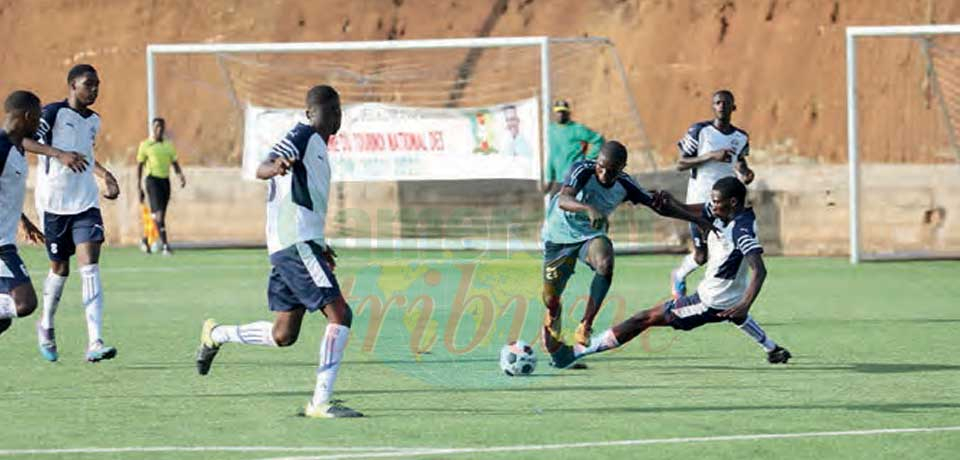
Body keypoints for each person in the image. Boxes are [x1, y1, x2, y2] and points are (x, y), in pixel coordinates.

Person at [195, 85, 362, 418]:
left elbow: (302, 203)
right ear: (310, 114)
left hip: (298, 244)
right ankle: (320, 402)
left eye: (338, 110)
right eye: (328, 110)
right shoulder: (303, 135)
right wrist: (274, 166)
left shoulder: (319, 149)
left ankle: (216, 334)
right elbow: (264, 165)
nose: (335, 115)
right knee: (340, 314)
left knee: (283, 334)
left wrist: (319, 244)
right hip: (295, 245)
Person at [550, 177, 791, 368]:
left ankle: (573, 353)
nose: (712, 205)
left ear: (733, 203)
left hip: (710, 300)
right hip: (729, 297)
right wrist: (671, 203)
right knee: (734, 313)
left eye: (716, 202)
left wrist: (747, 302)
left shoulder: (741, 230)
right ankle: (772, 349)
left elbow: (759, 269)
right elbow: (688, 211)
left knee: (642, 319)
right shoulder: (729, 213)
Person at [540, 140, 716, 358]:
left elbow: (659, 206)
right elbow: (564, 199)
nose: (604, 173)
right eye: (601, 167)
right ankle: (554, 312)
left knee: (605, 261)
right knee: (550, 297)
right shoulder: (583, 169)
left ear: (622, 168)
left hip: (590, 236)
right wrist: (589, 209)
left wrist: (694, 219)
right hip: (558, 235)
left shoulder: (625, 184)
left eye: (611, 170)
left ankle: (585, 324)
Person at [23, 64, 120, 363]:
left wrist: (105, 175)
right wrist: (58, 154)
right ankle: (46, 324)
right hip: (54, 205)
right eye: (88, 84)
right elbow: (25, 142)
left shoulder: (94, 121)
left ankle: (95, 341)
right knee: (60, 270)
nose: (94, 89)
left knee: (89, 265)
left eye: (97, 84)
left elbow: (87, 156)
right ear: (72, 85)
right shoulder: (51, 113)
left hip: (85, 203)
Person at [0, 91, 45, 337]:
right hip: (0, 247)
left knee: (3, 319)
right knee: (24, 303)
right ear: (27, 117)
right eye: (37, 118)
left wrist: (22, 219)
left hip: (6, 242)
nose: (39, 123)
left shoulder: (16, 149)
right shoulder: (1, 147)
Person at [137, 117, 186, 255]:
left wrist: (180, 175)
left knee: (160, 216)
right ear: (153, 128)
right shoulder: (146, 145)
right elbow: (140, 166)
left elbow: (174, 162)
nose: (159, 129)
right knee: (158, 216)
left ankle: (146, 240)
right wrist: (139, 186)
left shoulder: (168, 146)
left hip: (165, 181)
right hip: (152, 181)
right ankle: (165, 245)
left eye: (161, 127)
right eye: (156, 127)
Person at [543, 100, 604, 196]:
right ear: (555, 113)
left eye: (563, 112)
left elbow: (599, 140)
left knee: (573, 206)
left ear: (568, 113)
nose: (561, 115)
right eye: (558, 112)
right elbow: (552, 155)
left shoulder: (577, 128)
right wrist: (550, 178)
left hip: (575, 177)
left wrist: (588, 159)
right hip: (559, 180)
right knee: (555, 207)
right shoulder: (551, 130)